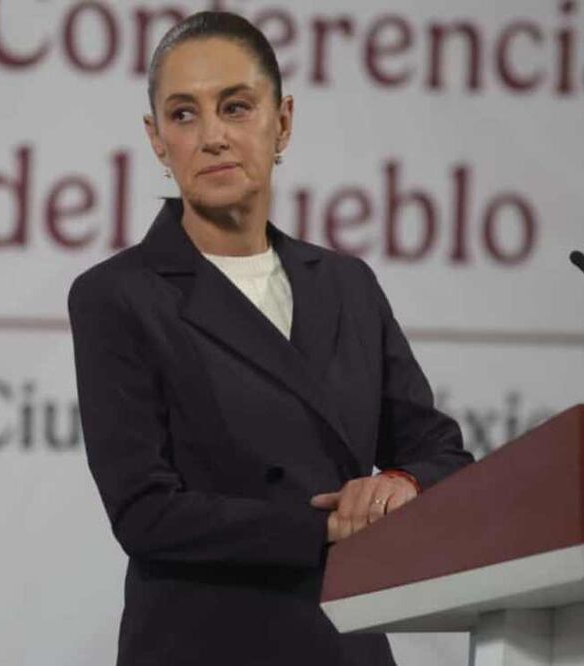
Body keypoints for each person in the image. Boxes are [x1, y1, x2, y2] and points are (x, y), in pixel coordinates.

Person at [67, 11, 473, 666]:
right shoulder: (118, 295)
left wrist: (400, 483)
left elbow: (438, 451)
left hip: (342, 644)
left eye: (234, 106)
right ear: (155, 139)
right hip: (201, 644)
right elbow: (144, 513)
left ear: (281, 121)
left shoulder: (346, 284)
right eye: (183, 114)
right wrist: (327, 528)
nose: (212, 137)